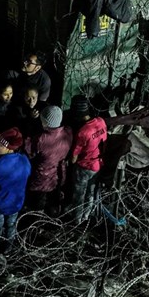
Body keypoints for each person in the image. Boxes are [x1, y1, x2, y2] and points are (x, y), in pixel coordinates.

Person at [0, 127, 31, 252]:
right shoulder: (24, 160)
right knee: (11, 225)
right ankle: (8, 248)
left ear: (9, 148)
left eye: (0, 145)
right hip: (16, 203)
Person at [24, 105, 72, 214]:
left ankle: (38, 218)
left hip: (42, 178)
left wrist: (28, 136)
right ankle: (53, 217)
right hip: (59, 175)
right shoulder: (68, 132)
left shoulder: (41, 139)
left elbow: (30, 153)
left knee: (39, 202)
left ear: (45, 122)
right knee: (53, 201)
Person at [67, 95, 108, 223]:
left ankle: (77, 219)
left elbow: (74, 157)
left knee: (79, 194)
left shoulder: (83, 132)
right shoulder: (101, 121)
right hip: (98, 165)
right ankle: (86, 215)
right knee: (90, 192)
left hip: (84, 167)